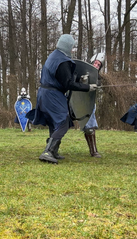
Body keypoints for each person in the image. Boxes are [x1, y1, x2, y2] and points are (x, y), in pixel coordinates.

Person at [26, 34, 97, 164]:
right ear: (68, 46)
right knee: (63, 121)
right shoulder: (63, 61)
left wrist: (78, 80)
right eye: (72, 47)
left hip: (44, 92)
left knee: (54, 122)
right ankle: (48, 152)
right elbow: (67, 84)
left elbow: (62, 78)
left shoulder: (54, 56)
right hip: (52, 94)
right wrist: (87, 87)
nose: (72, 50)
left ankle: (54, 150)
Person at [82, 52, 105, 158]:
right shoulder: (82, 72)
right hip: (77, 102)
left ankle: (94, 151)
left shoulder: (99, 78)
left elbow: (99, 85)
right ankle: (52, 149)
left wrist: (96, 86)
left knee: (90, 127)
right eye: (95, 63)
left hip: (89, 103)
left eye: (98, 65)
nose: (96, 66)